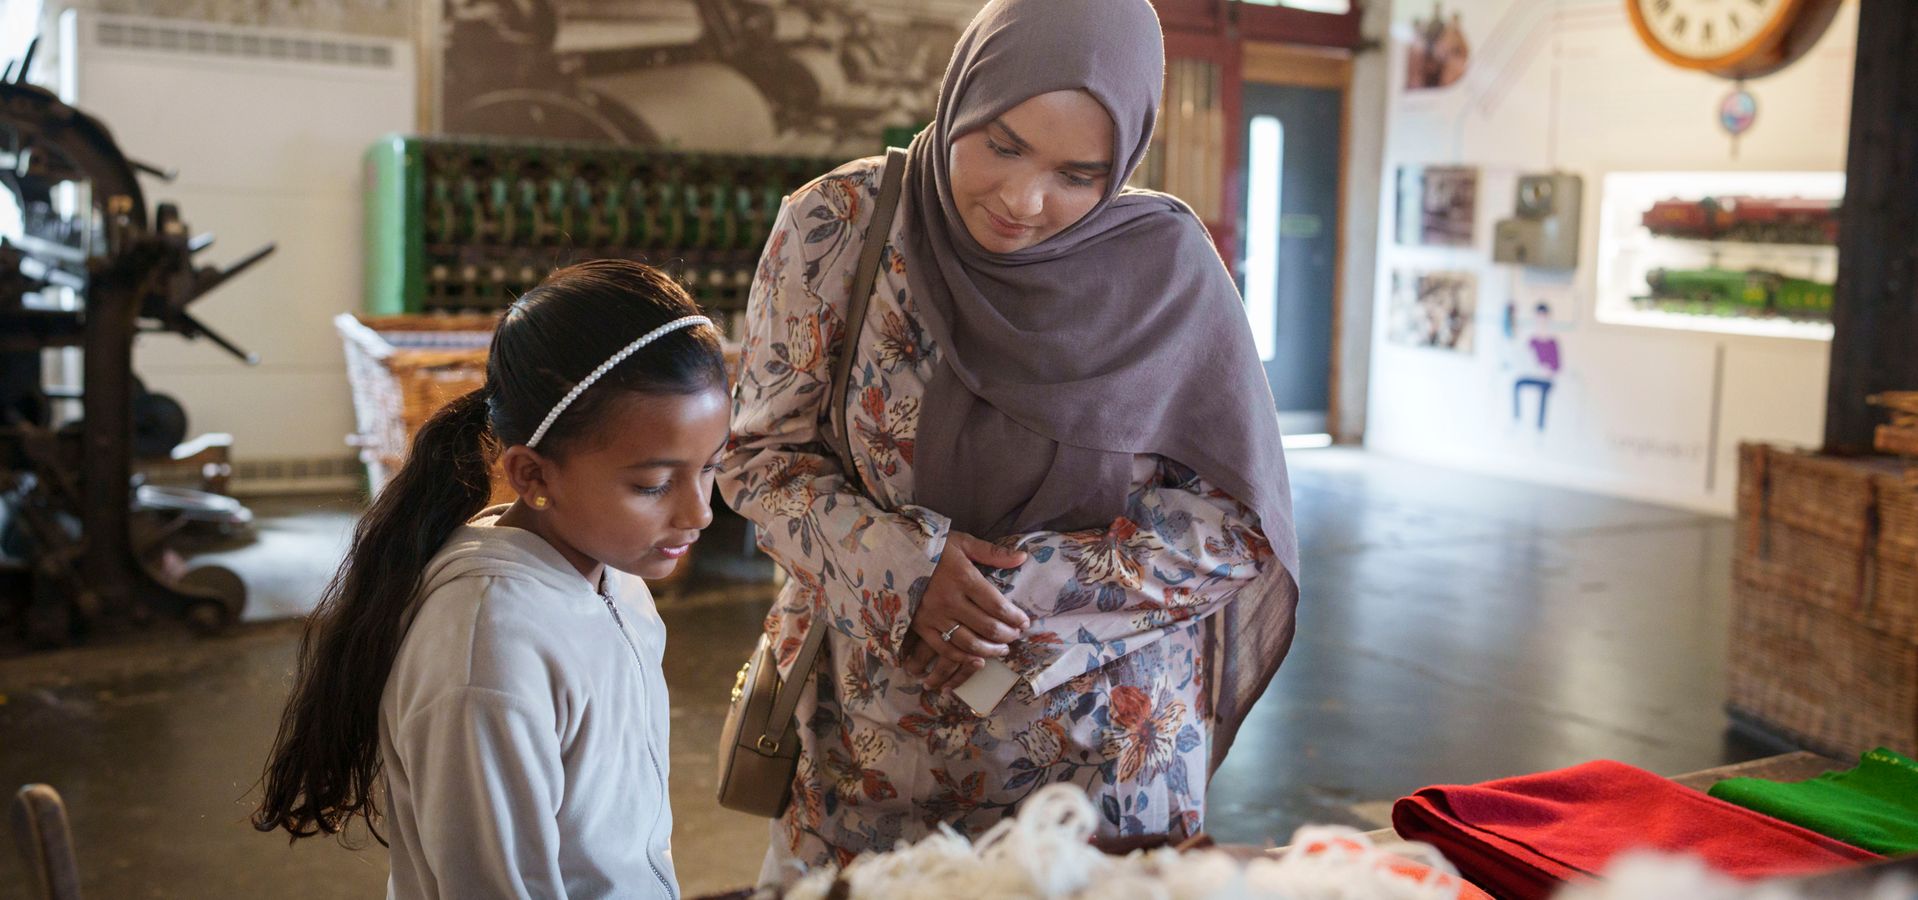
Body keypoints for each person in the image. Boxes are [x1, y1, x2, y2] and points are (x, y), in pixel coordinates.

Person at [719, 0, 1301, 875]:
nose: (1024, 201)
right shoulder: (839, 228)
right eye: (1001, 145)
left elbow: (1237, 523)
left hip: (1098, 767)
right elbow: (758, 458)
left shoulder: (1165, 273)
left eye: (1078, 172)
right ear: (962, 95)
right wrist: (903, 568)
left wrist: (1013, 597)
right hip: (870, 758)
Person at [253, 260, 729, 899]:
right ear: (531, 475)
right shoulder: (488, 655)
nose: (699, 511)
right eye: (653, 484)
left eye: (711, 467)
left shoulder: (615, 577)